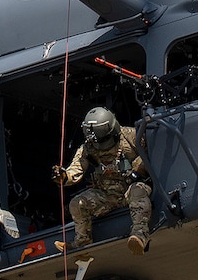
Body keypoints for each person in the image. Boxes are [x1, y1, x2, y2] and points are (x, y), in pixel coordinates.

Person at [54, 106, 153, 252]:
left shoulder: (131, 136)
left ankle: (140, 235)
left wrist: (138, 169)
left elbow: (152, 152)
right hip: (106, 196)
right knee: (76, 204)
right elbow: (77, 168)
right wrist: (64, 177)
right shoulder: (88, 148)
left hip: (130, 190)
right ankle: (82, 242)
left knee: (138, 191)